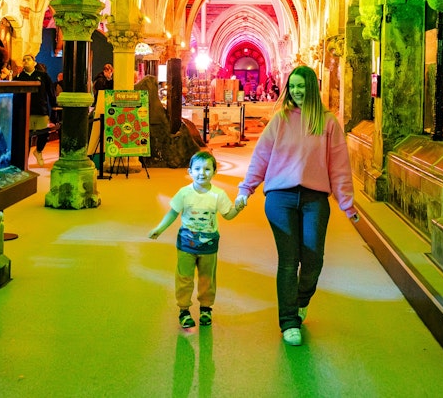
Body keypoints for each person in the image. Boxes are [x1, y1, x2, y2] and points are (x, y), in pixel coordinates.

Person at [235, 65, 358, 346]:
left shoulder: (327, 123)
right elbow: (261, 158)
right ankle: (289, 320)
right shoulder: (279, 120)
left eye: (302, 86)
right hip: (281, 198)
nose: (297, 91)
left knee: (313, 260)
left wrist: (347, 204)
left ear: (312, 88)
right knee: (289, 262)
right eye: (292, 86)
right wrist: (246, 189)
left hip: (315, 199)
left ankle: (301, 299)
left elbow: (339, 167)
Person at [149, 150, 243, 329]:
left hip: (209, 246)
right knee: (184, 277)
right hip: (186, 244)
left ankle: (206, 308)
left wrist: (237, 208)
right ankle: (184, 310)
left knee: (207, 278)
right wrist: (159, 229)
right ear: (190, 171)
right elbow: (173, 213)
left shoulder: (218, 195)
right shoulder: (184, 193)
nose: (202, 173)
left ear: (215, 172)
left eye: (207, 169)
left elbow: (228, 215)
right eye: (197, 169)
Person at [16, 55, 55, 166]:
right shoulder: (19, 77)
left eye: (28, 59)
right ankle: (24, 162)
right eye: (24, 59)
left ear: (34, 62)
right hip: (25, 112)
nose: (26, 61)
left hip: (41, 110)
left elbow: (50, 92)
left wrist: (54, 107)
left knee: (44, 134)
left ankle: (38, 151)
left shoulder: (43, 76)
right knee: (26, 137)